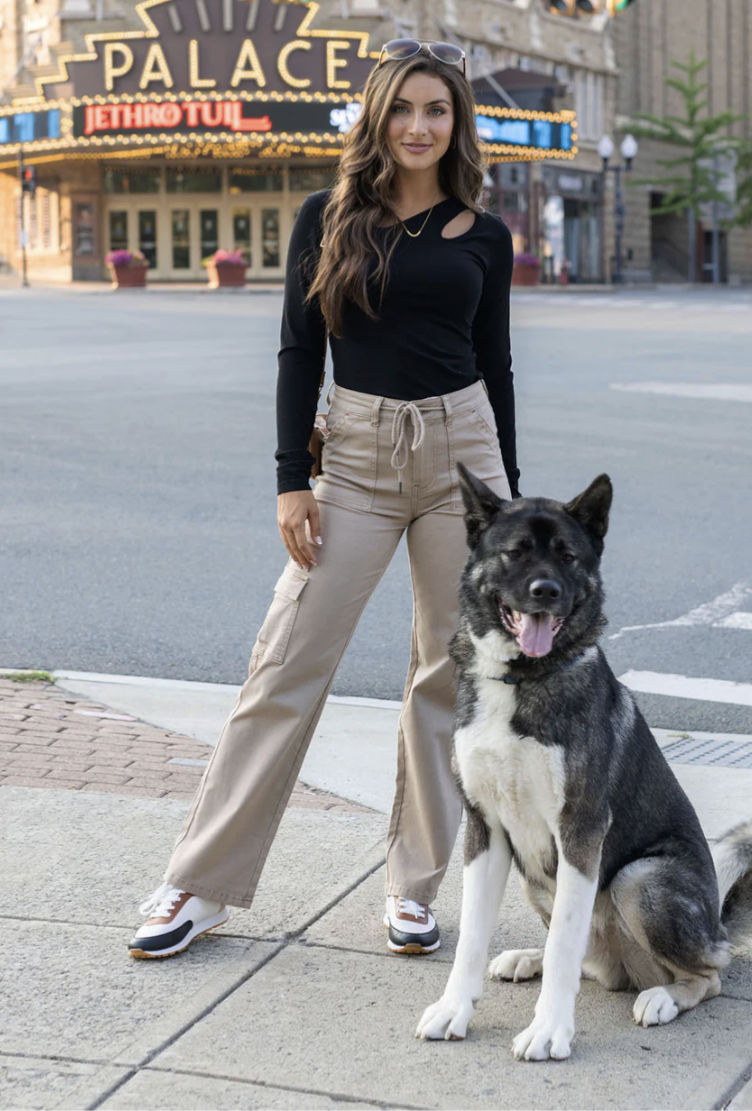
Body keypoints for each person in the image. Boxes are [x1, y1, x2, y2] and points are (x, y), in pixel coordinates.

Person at [129, 37, 521, 961]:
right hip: (354, 455)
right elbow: (299, 349)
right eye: (405, 109)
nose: (420, 126)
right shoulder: (329, 216)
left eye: (438, 110)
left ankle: (415, 884)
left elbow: (496, 369)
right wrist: (288, 478)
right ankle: (199, 879)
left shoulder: (486, 235)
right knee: (289, 656)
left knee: (445, 673)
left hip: (464, 453)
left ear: (456, 123)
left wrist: (509, 505)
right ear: (378, 117)